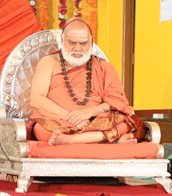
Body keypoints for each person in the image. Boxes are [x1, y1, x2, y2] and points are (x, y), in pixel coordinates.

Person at [30, 18, 141, 146]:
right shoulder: (49, 63)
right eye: (72, 42)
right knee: (41, 129)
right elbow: (36, 100)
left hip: (94, 121)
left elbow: (117, 103)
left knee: (124, 123)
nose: (77, 48)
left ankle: (71, 141)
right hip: (59, 120)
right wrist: (71, 117)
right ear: (62, 39)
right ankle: (109, 139)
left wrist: (88, 112)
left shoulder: (103, 67)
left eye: (83, 43)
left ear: (91, 43)